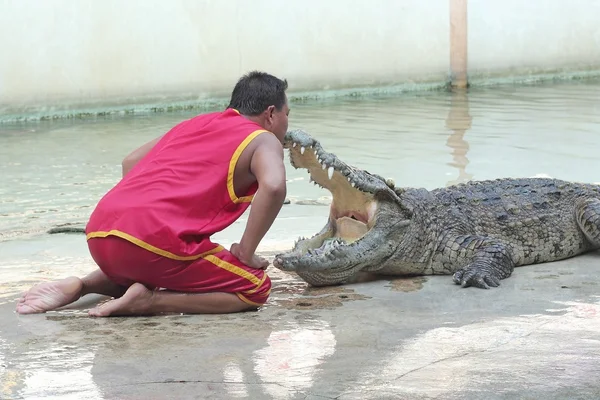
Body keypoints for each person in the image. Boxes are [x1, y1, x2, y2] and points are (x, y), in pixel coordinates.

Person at [16, 71, 290, 317]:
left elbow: (130, 162)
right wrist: (246, 251)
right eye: (287, 114)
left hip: (100, 233)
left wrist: (141, 216)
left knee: (153, 263)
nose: (286, 124)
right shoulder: (262, 138)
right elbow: (275, 186)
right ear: (270, 114)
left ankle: (82, 286)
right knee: (255, 288)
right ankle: (149, 301)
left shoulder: (194, 124)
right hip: (152, 242)